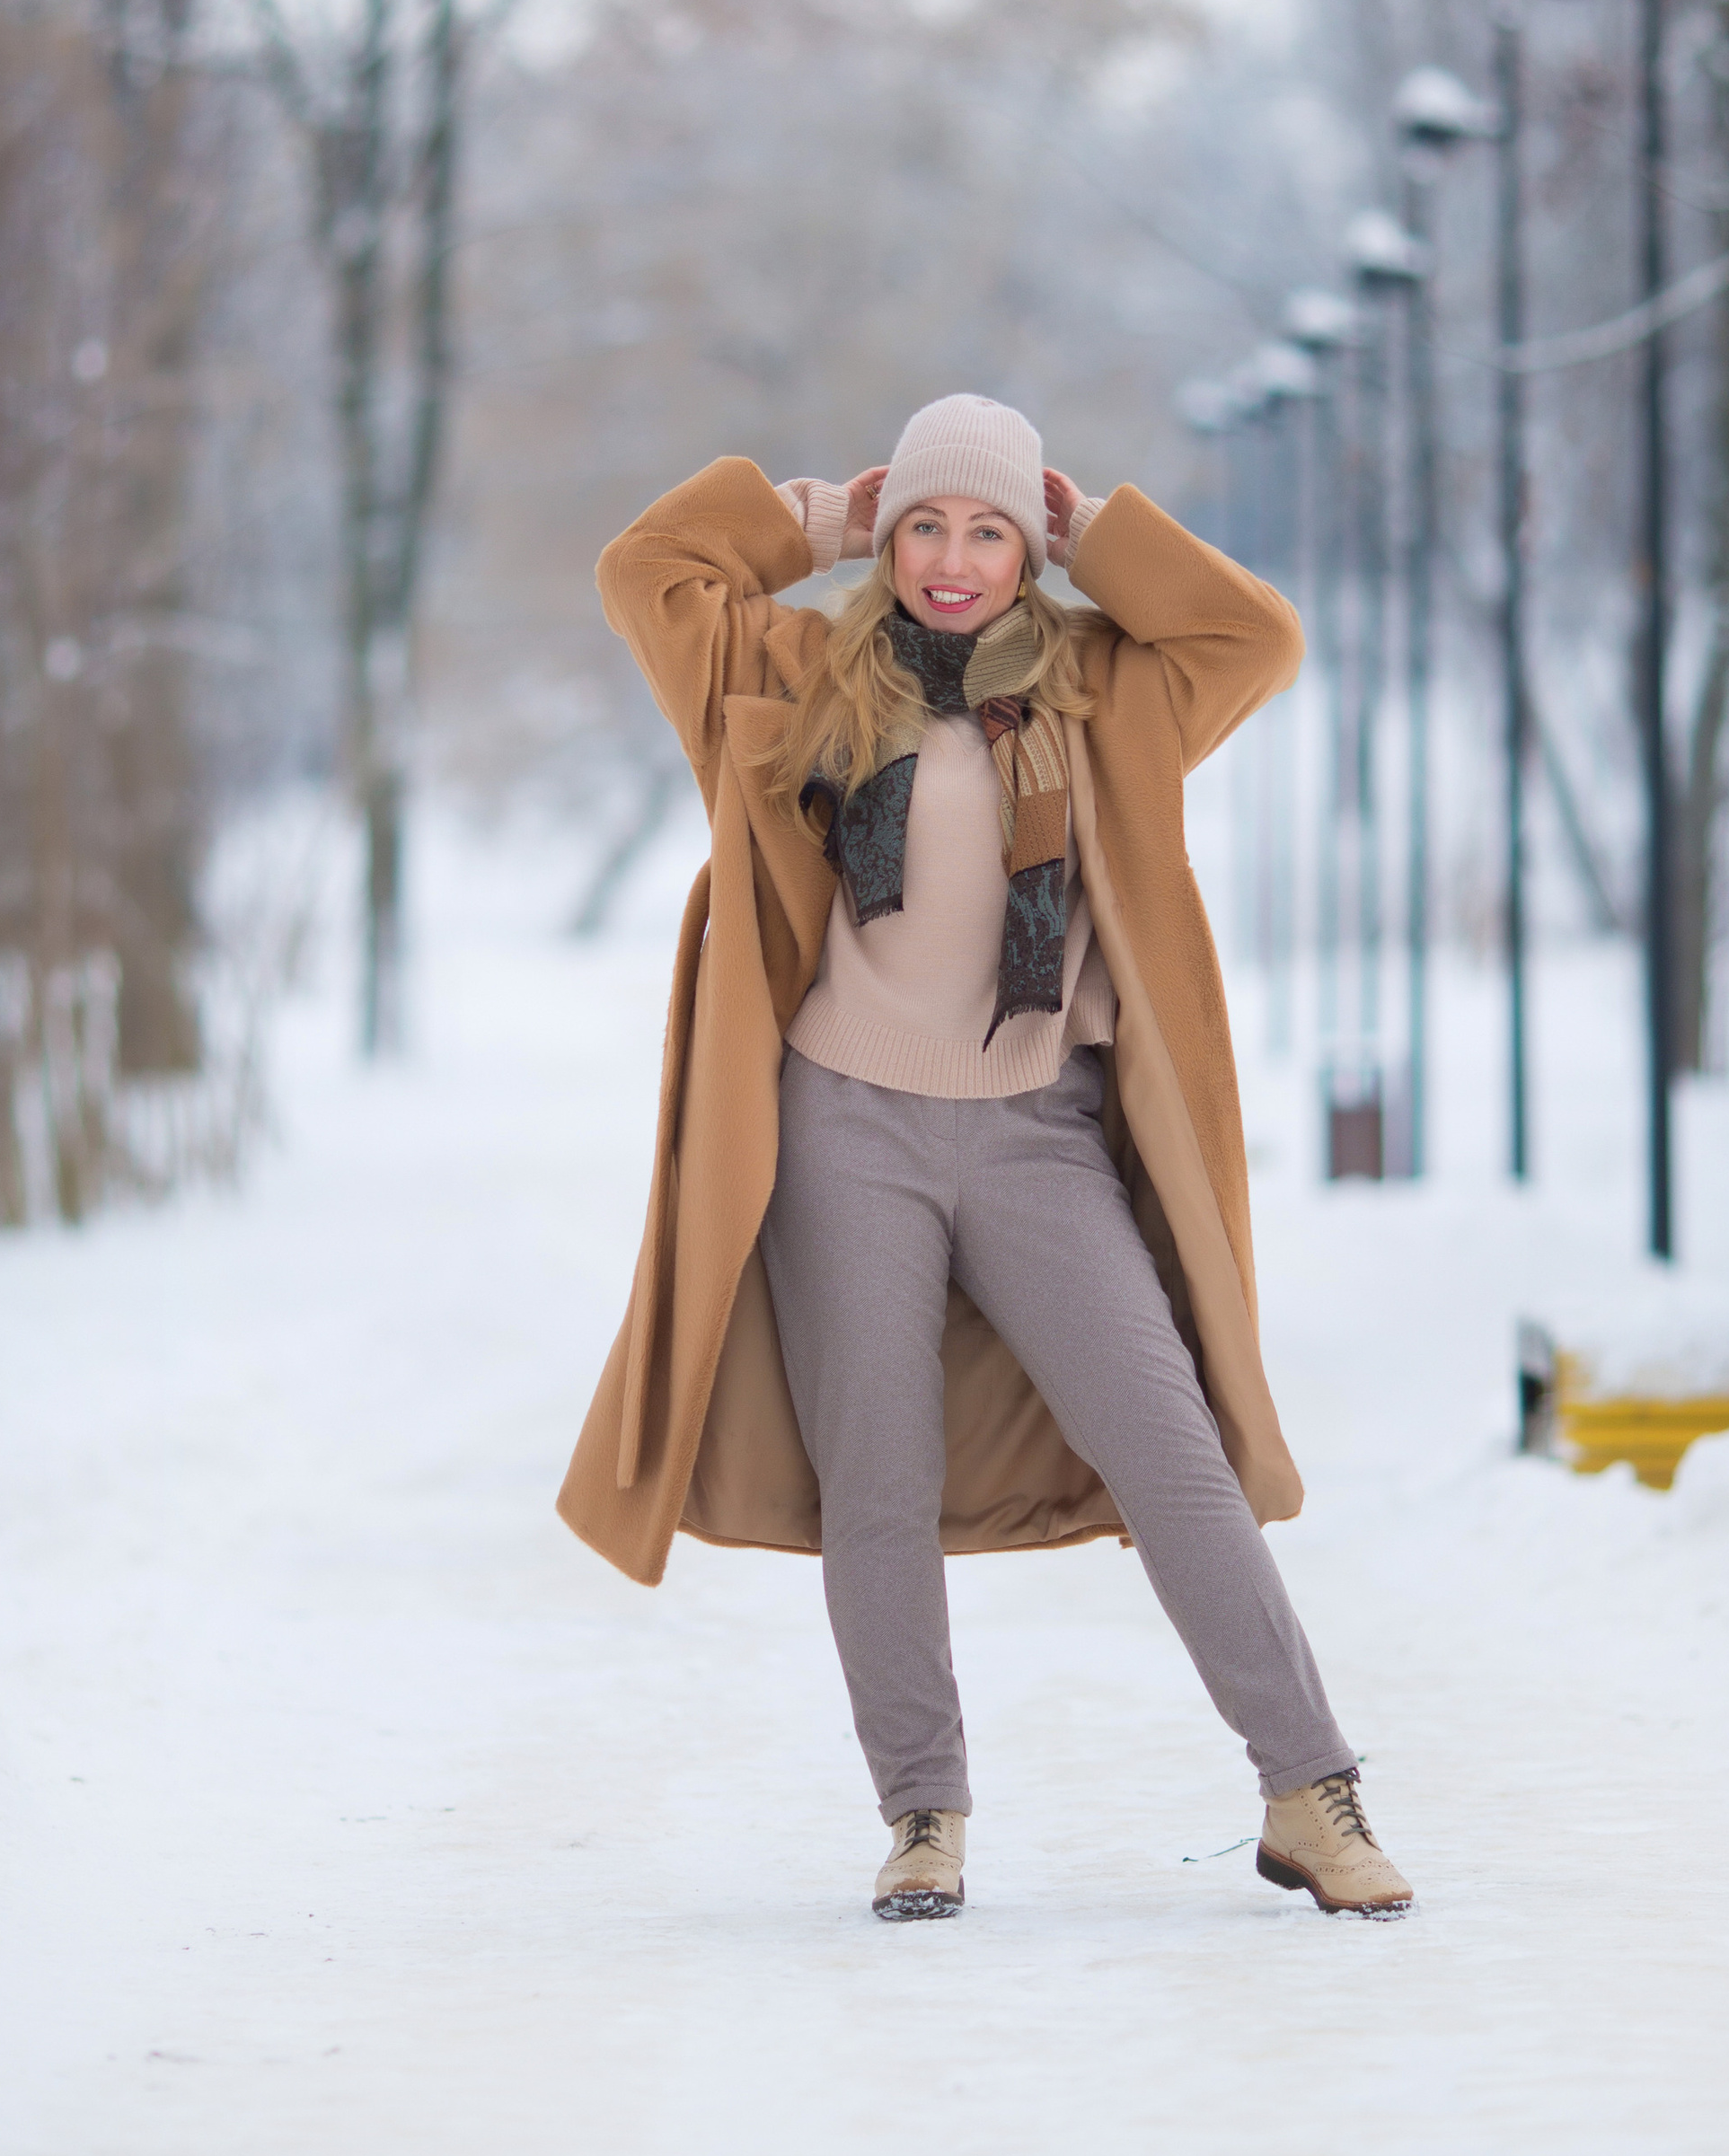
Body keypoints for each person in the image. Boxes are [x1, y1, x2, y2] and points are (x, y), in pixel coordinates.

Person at [558, 393, 1412, 1923]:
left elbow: (1254, 639)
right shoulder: (798, 668)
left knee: (1179, 1463)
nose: (954, 560)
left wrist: (1106, 540)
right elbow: (646, 570)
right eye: (928, 527)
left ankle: (1307, 1788)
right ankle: (924, 1817)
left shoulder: (1101, 689)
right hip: (843, 1129)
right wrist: (813, 517)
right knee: (876, 1481)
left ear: (1031, 546)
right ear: (892, 540)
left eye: (992, 529)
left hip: (1039, 1131)